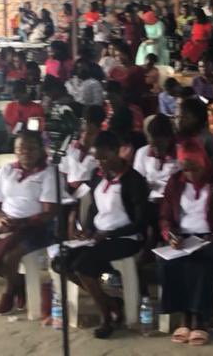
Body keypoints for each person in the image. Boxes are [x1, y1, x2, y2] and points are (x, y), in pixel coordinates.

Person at [53, 131, 149, 339]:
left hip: (126, 238)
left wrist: (108, 233)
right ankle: (112, 302)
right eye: (97, 159)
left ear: (117, 152)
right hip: (99, 237)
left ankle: (107, 316)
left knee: (84, 265)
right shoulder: (99, 178)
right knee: (61, 262)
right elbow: (94, 208)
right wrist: (87, 230)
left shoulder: (134, 181)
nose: (100, 163)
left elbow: (140, 223)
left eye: (105, 158)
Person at [157, 140, 213, 346]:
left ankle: (199, 319)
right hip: (184, 238)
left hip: (212, 237)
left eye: (194, 168)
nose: (190, 175)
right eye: (186, 170)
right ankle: (185, 316)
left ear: (204, 163)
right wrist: (170, 234)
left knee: (204, 263)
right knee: (169, 262)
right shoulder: (175, 183)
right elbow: (165, 217)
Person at [0, 130, 60, 313]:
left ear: (40, 150)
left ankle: (9, 292)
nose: (25, 153)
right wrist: (0, 218)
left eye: (31, 148)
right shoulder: (6, 170)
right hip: (7, 224)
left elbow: (49, 213)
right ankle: (18, 282)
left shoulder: (48, 173)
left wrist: (22, 223)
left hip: (36, 227)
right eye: (21, 148)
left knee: (9, 256)